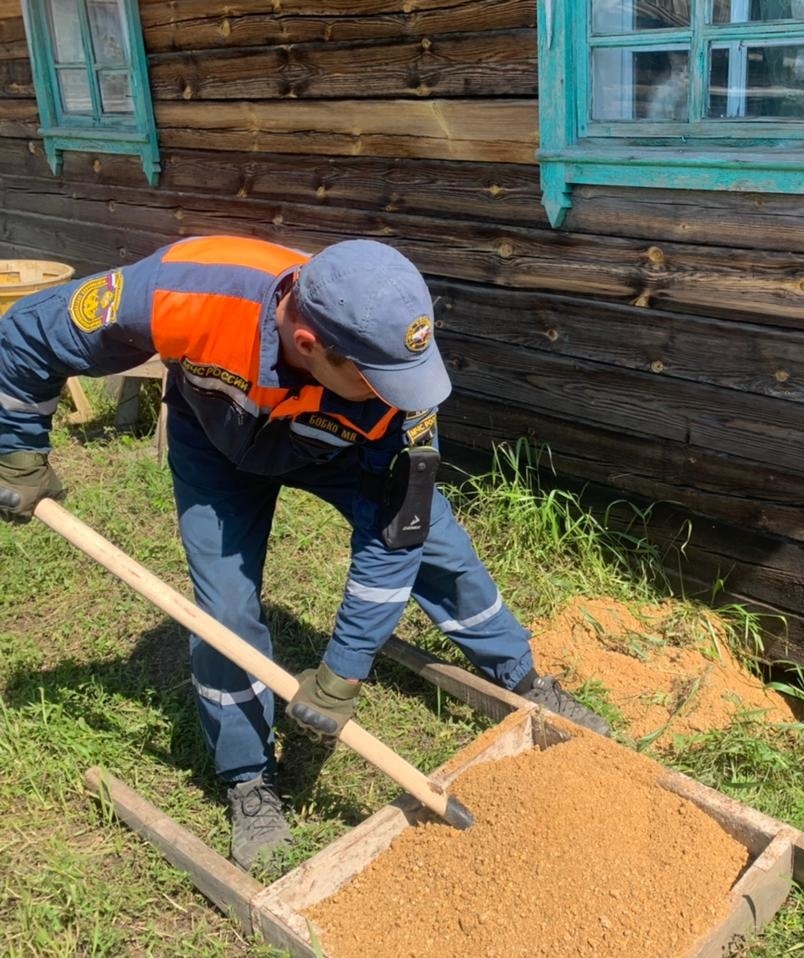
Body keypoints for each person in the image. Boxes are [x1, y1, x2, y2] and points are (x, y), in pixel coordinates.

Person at [0, 235, 610, 869]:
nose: (399, 394)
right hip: (216, 441)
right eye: (376, 380)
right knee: (225, 612)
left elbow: (395, 536)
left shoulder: (401, 400)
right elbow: (28, 334)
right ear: (311, 344)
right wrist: (19, 451)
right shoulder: (188, 288)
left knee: (438, 548)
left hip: (340, 451)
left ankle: (522, 678)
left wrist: (343, 669)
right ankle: (248, 779)